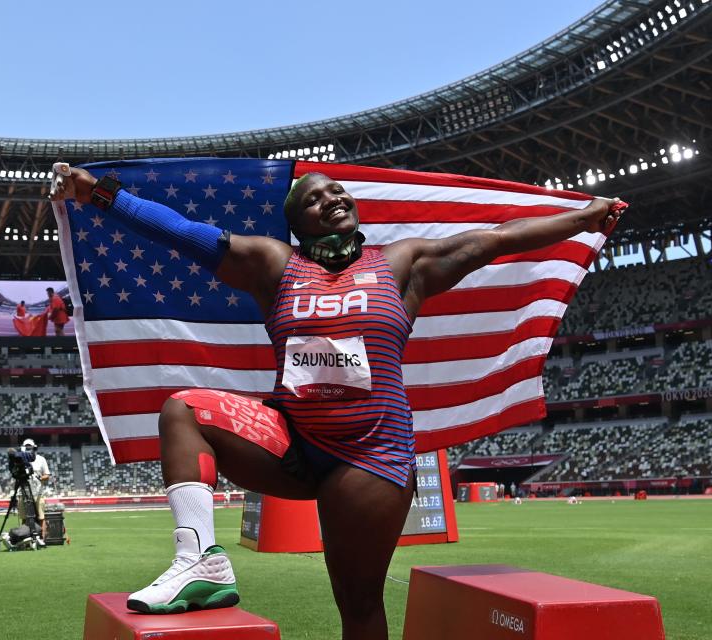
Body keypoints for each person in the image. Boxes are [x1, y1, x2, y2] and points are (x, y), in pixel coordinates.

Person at [50, 166, 624, 639]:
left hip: (369, 456)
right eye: (314, 197)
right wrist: (96, 193)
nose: (331, 199)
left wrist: (585, 217)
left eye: (336, 191)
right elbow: (182, 232)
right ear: (296, 222)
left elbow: (497, 240)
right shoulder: (275, 265)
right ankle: (200, 559)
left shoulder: (402, 264)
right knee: (183, 410)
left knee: (357, 604)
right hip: (291, 441)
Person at [19, 438, 51, 546]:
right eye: (26, 446)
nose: (28, 449)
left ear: (34, 447)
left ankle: (42, 539)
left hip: (38, 492)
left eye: (30, 447)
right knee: (24, 518)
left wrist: (40, 478)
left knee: (41, 517)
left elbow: (47, 475)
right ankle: (24, 540)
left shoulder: (41, 459)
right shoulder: (19, 459)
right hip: (23, 491)